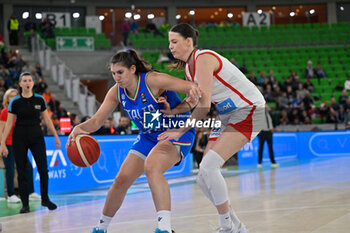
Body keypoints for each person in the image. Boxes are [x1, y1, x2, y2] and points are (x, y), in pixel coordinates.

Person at [66, 49, 200, 233]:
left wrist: (183, 108)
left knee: (152, 166)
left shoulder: (152, 80)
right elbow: (97, 121)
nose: (116, 77)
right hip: (149, 134)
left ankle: (165, 228)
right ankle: (101, 228)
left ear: (132, 69)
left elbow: (194, 88)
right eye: (113, 73)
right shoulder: (116, 92)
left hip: (176, 130)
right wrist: (79, 128)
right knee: (121, 180)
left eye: (120, 72)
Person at [158, 23, 266, 233]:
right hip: (227, 115)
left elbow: (204, 106)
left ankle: (226, 226)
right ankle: (237, 226)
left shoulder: (204, 58)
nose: (170, 47)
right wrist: (171, 112)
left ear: (188, 41)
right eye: (169, 42)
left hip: (250, 110)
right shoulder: (189, 68)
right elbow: (192, 102)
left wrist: (179, 130)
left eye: (174, 41)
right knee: (203, 176)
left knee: (208, 167)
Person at [0, 72, 61, 214]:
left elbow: (46, 119)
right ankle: (25, 204)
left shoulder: (40, 100)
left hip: (36, 136)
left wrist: (56, 136)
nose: (27, 83)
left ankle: (45, 199)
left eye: (30, 80)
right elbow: (8, 124)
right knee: (21, 171)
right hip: (19, 136)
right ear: (20, 84)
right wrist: (2, 143)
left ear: (33, 84)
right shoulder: (15, 101)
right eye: (24, 80)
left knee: (43, 169)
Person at [257, 104, 279, 168]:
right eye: (264, 108)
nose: (266, 109)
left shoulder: (270, 114)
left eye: (266, 108)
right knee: (261, 148)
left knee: (270, 147)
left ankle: (273, 162)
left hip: (269, 132)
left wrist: (272, 129)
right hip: (262, 133)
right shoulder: (259, 116)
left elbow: (272, 122)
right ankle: (259, 162)